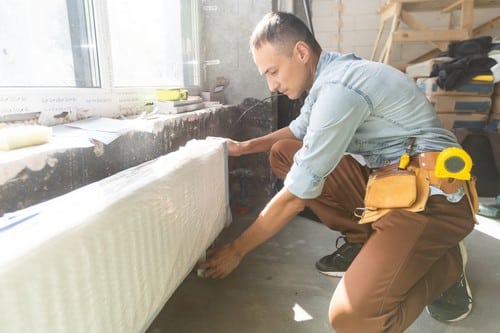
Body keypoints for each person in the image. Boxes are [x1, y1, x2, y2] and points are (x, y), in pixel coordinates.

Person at [198, 11, 477, 333]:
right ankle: (366, 241)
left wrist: (236, 249)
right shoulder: (330, 78)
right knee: (285, 153)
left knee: (354, 320)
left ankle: (447, 264)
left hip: (433, 199)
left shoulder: (340, 88)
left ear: (301, 53)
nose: (271, 85)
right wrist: (244, 148)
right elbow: (297, 131)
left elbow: (296, 195)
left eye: (273, 71)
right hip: (391, 183)